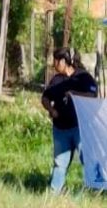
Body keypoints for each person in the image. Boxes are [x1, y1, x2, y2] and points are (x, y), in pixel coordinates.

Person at [41, 48, 99, 194]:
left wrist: (74, 94)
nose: (53, 64)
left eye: (55, 60)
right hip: (60, 129)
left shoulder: (83, 77)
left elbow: (93, 94)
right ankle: (55, 192)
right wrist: (51, 110)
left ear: (62, 61)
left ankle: (97, 189)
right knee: (59, 162)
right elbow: (45, 97)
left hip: (80, 128)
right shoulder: (56, 80)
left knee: (88, 160)